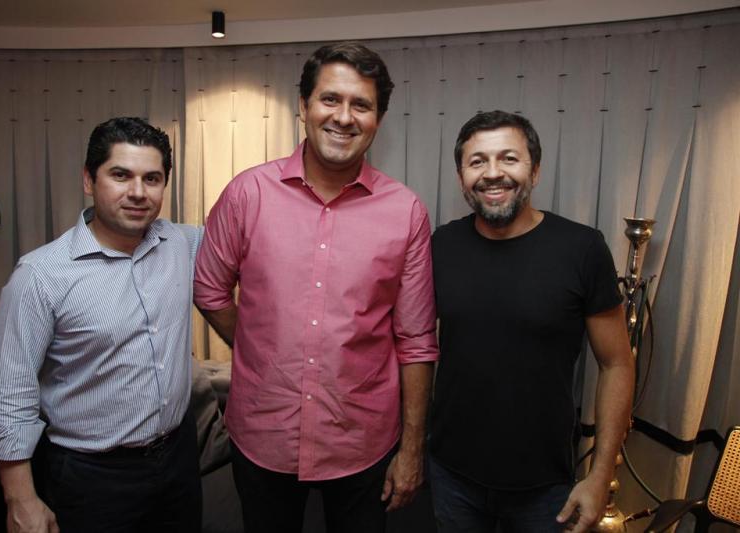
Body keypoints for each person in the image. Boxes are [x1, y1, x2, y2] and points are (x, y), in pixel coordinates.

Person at [193, 42, 438, 533]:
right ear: (303, 106)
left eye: (361, 104)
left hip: (363, 439)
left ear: (378, 120)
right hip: (263, 433)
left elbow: (415, 340)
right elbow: (209, 289)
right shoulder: (247, 194)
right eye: (330, 99)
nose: (344, 117)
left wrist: (412, 450)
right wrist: (259, 348)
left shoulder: (405, 211)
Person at [0, 117, 203, 533]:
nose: (138, 192)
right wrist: (20, 499)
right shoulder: (40, 276)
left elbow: (249, 239)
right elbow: (10, 398)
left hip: (178, 459)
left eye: (152, 179)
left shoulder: (181, 243)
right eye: (120, 175)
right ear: (89, 179)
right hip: (91, 477)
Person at [429, 110, 634, 533]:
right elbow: (411, 342)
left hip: (545, 488)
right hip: (451, 476)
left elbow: (617, 363)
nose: (492, 173)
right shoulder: (441, 245)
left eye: (509, 158)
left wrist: (600, 475)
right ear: (461, 177)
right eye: (477, 161)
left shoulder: (582, 248)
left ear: (535, 171)